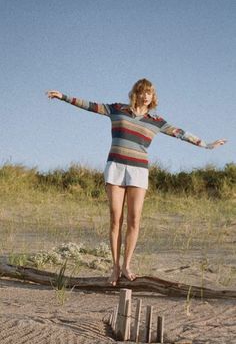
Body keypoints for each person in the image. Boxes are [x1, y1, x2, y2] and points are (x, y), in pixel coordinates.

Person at [46, 78, 226, 285]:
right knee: (115, 219)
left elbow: (181, 133)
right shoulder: (117, 109)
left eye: (150, 92)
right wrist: (64, 97)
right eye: (142, 91)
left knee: (134, 220)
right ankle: (114, 267)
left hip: (138, 172)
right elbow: (90, 106)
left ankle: (126, 265)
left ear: (153, 96)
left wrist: (206, 145)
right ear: (136, 93)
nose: (146, 95)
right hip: (115, 167)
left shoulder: (156, 121)